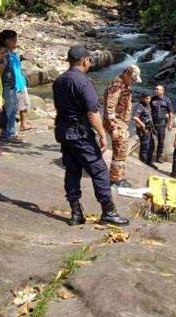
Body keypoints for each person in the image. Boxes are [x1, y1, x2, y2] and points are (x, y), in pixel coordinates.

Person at [53, 45, 128, 226]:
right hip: (80, 134)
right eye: (89, 60)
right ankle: (108, 211)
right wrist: (103, 134)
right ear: (85, 61)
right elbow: (92, 112)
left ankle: (75, 212)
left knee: (72, 170)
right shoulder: (84, 82)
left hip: (63, 131)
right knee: (99, 170)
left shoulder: (59, 81)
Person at [104, 64, 142, 188]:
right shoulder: (117, 85)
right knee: (121, 147)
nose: (133, 82)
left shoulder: (124, 84)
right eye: (132, 78)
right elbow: (110, 107)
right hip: (116, 122)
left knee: (123, 148)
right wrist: (113, 127)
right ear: (126, 73)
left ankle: (118, 176)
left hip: (121, 122)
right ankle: (115, 179)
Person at [0, 29, 25, 143]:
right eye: (13, 40)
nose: (15, 42)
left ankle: (11, 132)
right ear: (7, 40)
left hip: (12, 85)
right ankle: (5, 134)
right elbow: (0, 71)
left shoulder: (12, 54)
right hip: (6, 86)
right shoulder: (4, 55)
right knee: (8, 111)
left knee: (13, 110)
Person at [150, 84, 174, 163]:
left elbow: (170, 113)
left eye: (157, 89)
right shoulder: (152, 99)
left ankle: (159, 156)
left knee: (161, 140)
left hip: (161, 123)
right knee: (150, 139)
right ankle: (148, 155)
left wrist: (170, 124)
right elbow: (147, 110)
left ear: (162, 91)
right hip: (153, 123)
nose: (156, 90)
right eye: (155, 89)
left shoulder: (167, 100)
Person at [132, 92, 155, 166]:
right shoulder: (140, 106)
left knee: (151, 145)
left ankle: (149, 161)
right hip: (143, 129)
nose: (148, 100)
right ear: (142, 98)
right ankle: (143, 163)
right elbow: (135, 117)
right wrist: (143, 125)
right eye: (146, 98)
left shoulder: (147, 105)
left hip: (149, 127)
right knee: (145, 146)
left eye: (149, 98)